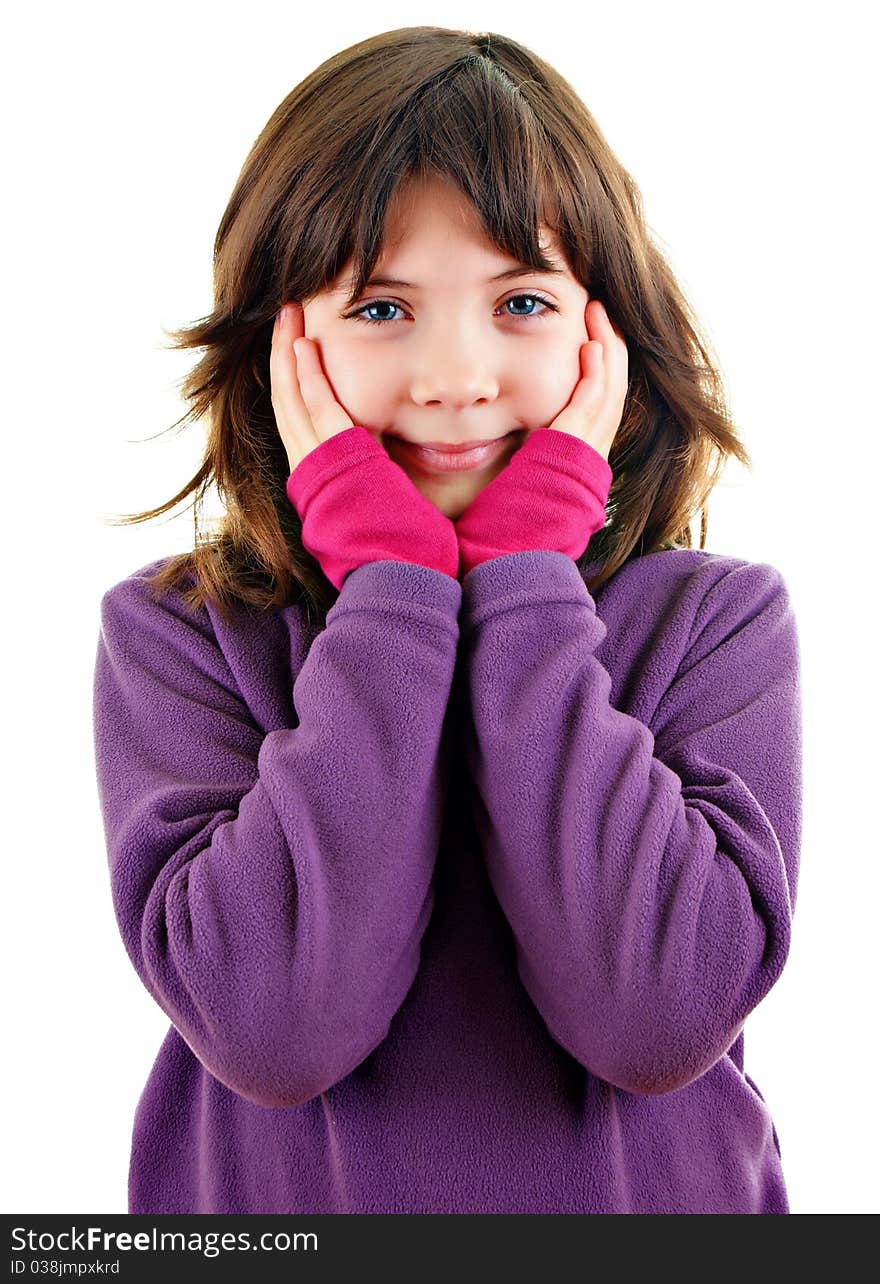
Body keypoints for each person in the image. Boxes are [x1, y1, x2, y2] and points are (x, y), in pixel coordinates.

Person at [92, 26, 802, 1215]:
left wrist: (523, 576)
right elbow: (272, 1030)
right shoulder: (182, 634)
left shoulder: (714, 623)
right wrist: (395, 596)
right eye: (381, 308)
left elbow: (656, 1018)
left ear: (607, 336)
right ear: (281, 341)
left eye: (519, 301)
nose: (455, 373)